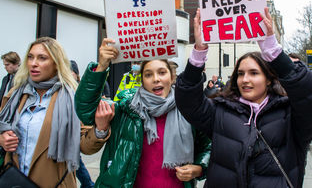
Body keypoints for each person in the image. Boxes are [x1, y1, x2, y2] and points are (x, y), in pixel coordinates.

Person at [175, 8, 312, 187]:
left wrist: (273, 51)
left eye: (254, 73)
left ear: (269, 79)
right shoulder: (221, 111)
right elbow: (188, 102)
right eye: (240, 73)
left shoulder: (289, 115)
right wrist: (199, 52)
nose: (245, 80)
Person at [74, 38, 211, 188]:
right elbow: (85, 109)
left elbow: (209, 147)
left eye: (162, 72)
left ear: (172, 77)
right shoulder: (126, 109)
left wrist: (199, 168)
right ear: (142, 81)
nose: (156, 79)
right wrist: (101, 67)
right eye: (148, 74)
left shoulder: (189, 111)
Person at [0, 37, 105, 188]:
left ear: (56, 64)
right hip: (14, 180)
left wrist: (100, 129)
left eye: (42, 58)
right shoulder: (15, 95)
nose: (33, 63)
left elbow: (85, 146)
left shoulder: (72, 97)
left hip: (52, 182)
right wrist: (2, 138)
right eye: (30, 57)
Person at [70, 60, 95, 188]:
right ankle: (88, 184)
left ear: (76, 74)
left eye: (71, 72)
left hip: (78, 128)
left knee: (76, 160)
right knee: (76, 161)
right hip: (71, 129)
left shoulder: (80, 88)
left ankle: (88, 184)